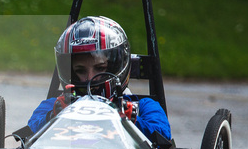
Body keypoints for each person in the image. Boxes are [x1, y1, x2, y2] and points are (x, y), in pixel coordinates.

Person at [28, 16, 171, 141]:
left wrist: (130, 119)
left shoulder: (143, 107)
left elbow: (162, 137)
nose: (90, 78)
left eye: (100, 68)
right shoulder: (56, 105)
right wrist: (55, 115)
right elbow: (30, 131)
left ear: (115, 66)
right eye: (80, 70)